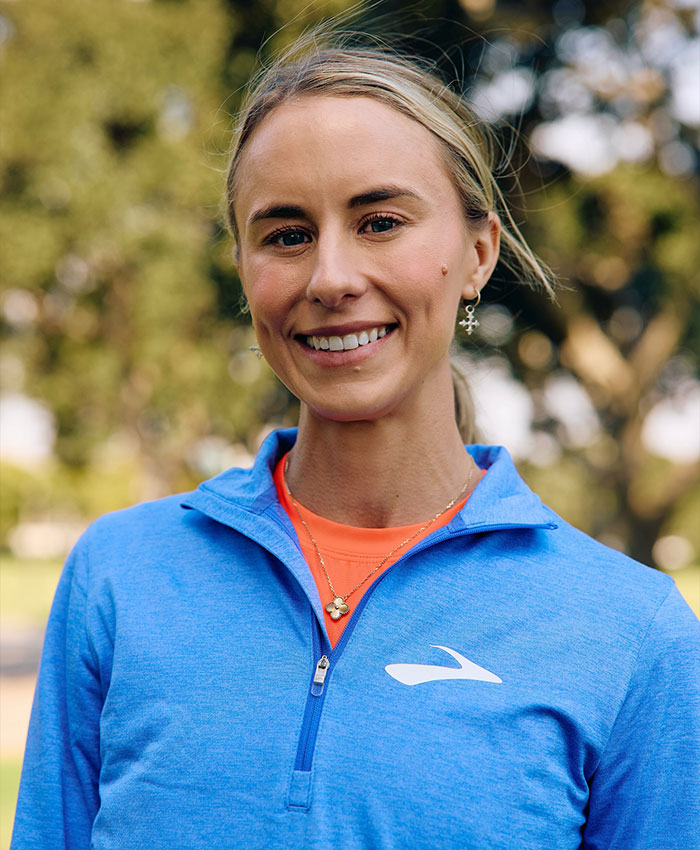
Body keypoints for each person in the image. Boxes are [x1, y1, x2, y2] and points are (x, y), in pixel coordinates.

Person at [12, 36, 700, 850]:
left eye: (380, 221)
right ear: (242, 266)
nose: (330, 278)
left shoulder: (631, 632)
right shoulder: (120, 575)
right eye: (286, 235)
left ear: (477, 255)